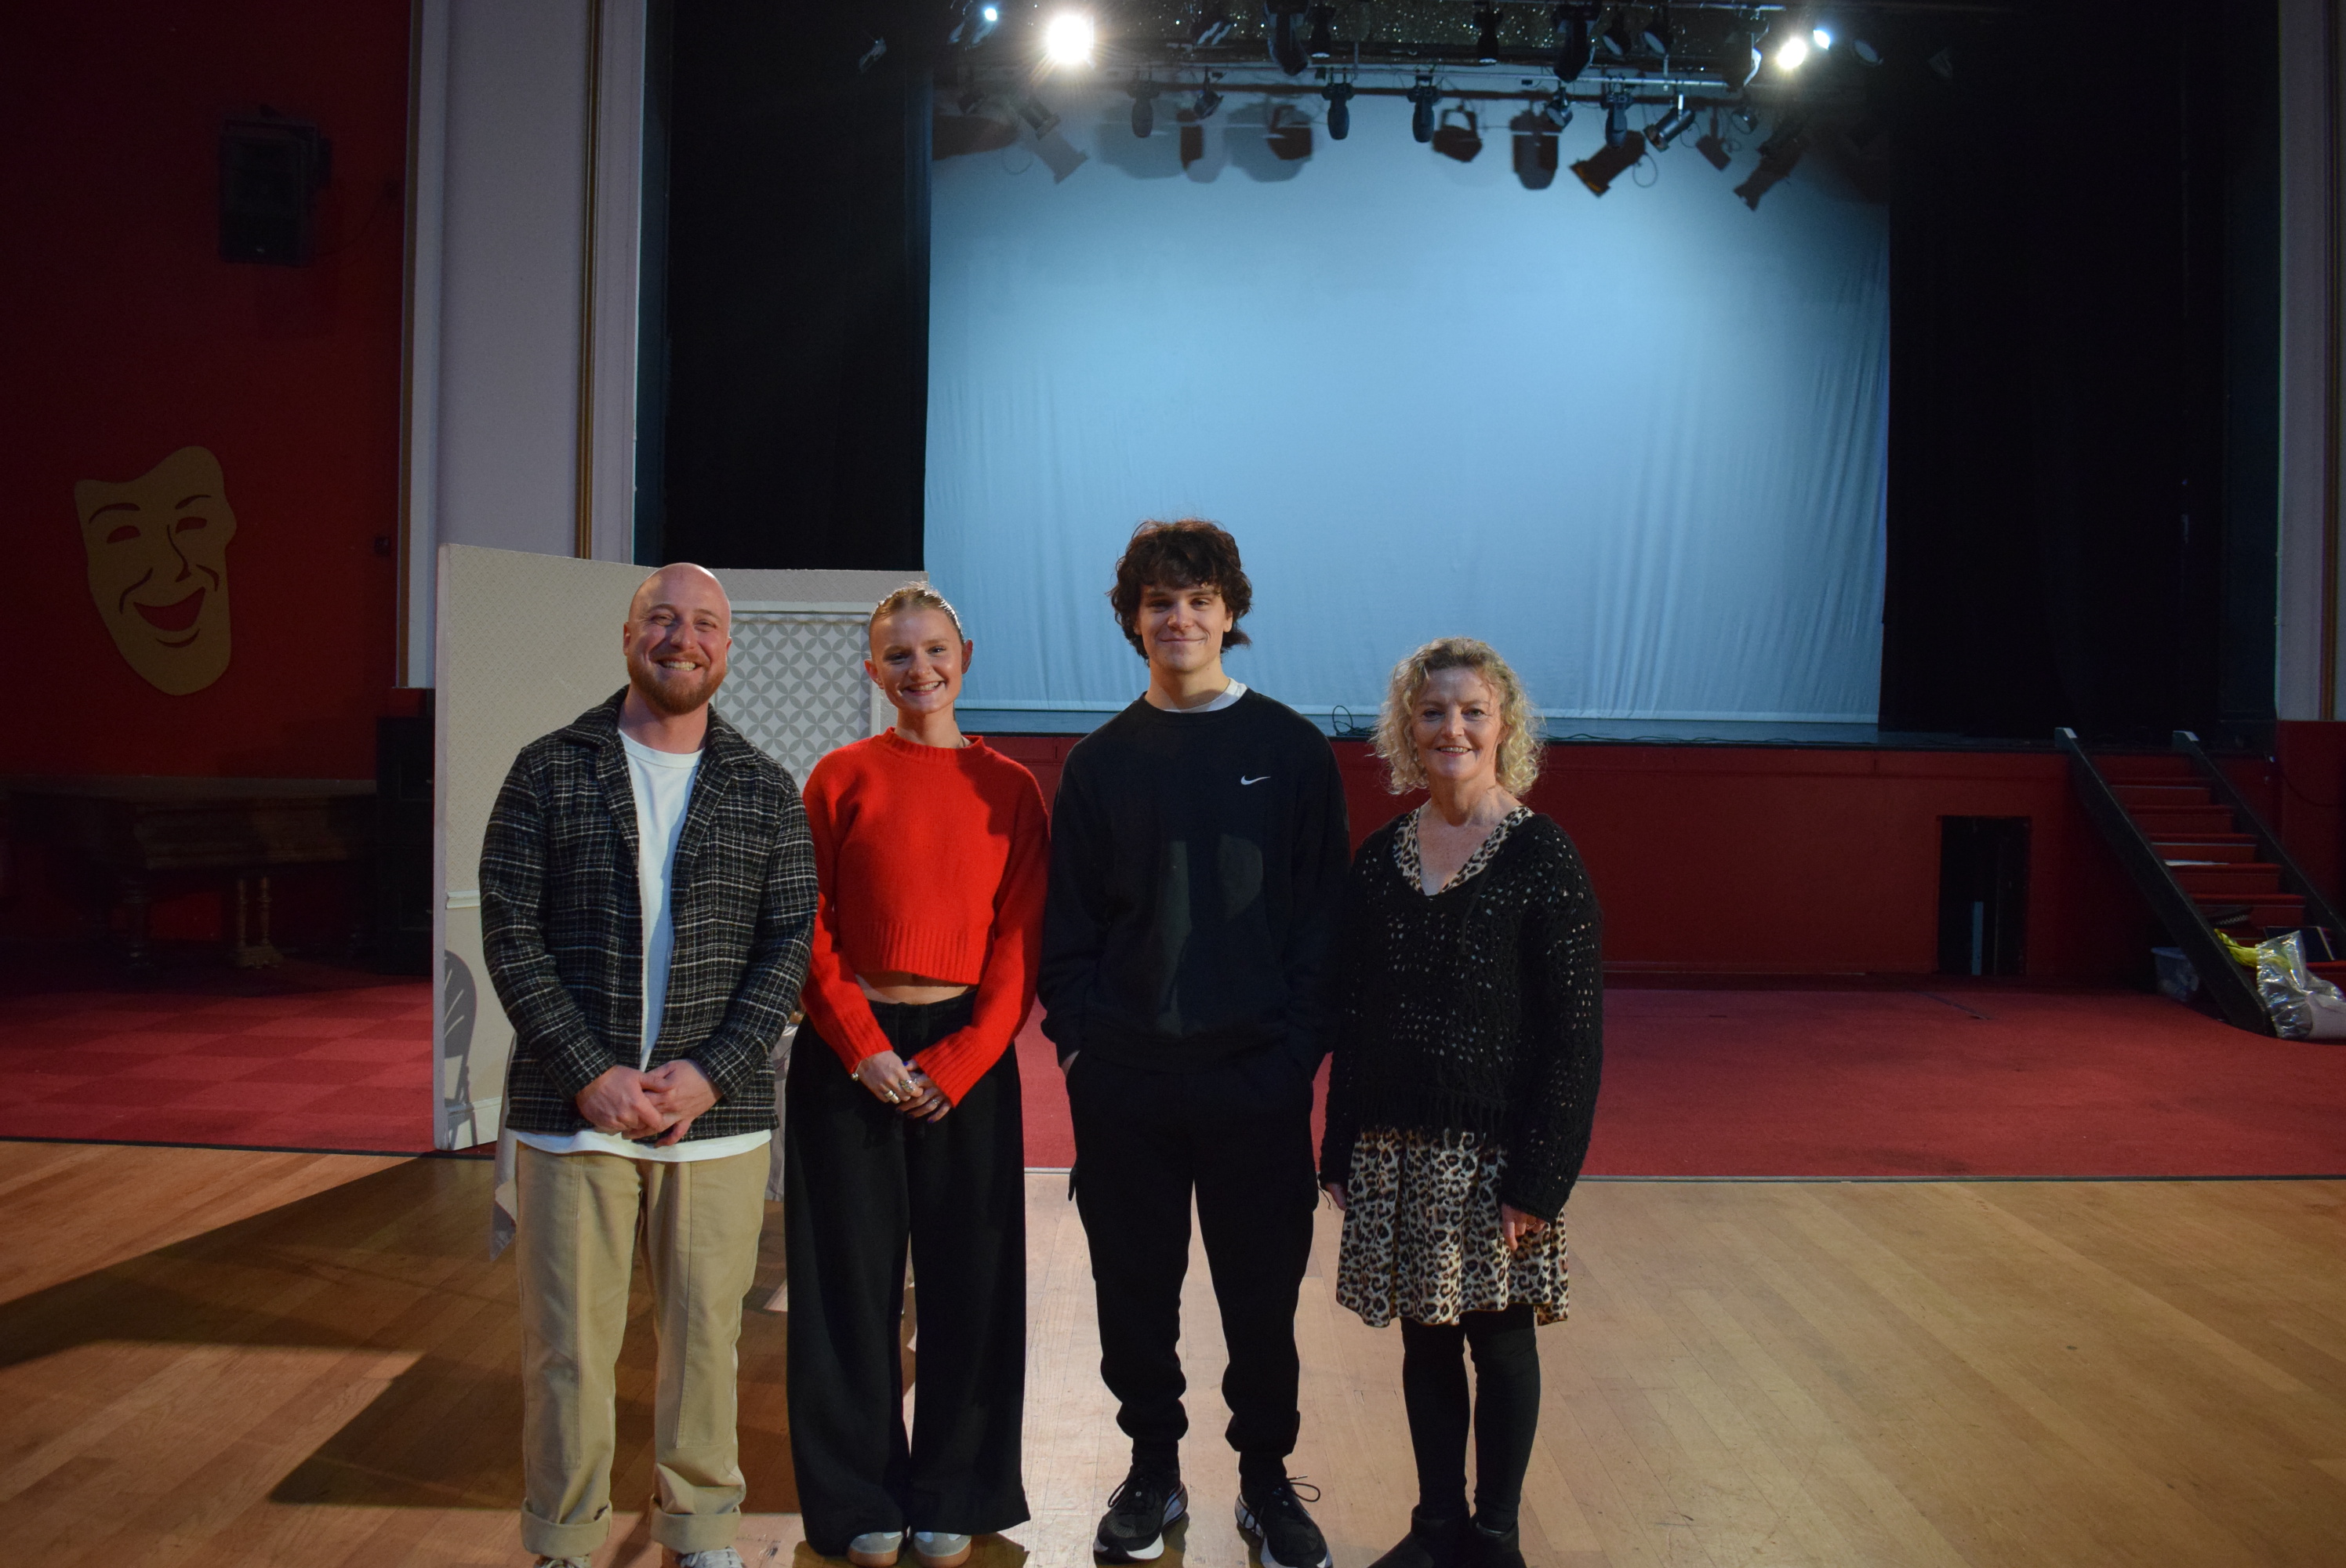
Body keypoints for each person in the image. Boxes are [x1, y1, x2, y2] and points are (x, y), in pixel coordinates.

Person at [479, 563, 817, 1568]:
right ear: (628, 632)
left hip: (717, 1114)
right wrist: (589, 1068)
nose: (682, 637)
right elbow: (510, 927)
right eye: (662, 617)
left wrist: (713, 1069)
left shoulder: (763, 785)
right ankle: (565, 1537)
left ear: (726, 645)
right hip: (568, 1106)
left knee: (706, 1347)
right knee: (570, 1349)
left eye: (704, 622)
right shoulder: (550, 766)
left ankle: (701, 1529)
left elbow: (788, 943)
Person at [1040, 519, 1352, 1568]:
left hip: (1253, 1083)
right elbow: (1068, 932)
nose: (1180, 617)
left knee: (1262, 1305)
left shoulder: (1291, 751)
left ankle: (1265, 1482)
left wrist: (1292, 1058)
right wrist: (1084, 1055)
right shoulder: (1098, 765)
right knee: (1136, 1300)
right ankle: (1154, 1472)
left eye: (1199, 598)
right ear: (1134, 618)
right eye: (1159, 601)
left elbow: (1322, 924)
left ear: (1231, 612)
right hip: (1126, 1082)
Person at [1320, 638, 1603, 1568]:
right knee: (1426, 1341)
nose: (1453, 727)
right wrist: (1342, 1143)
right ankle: (1435, 1524)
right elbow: (1352, 1016)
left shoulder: (1541, 856)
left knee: (1499, 1341)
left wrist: (1541, 1175)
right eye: (1433, 711)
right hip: (1396, 1147)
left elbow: (1573, 1038)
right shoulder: (1378, 860)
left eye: (1472, 711)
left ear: (1504, 728)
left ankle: (1494, 1535)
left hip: (1496, 1158)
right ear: (1408, 728)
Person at [786, 585, 1048, 1568]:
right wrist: (863, 1046)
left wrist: (965, 1056)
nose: (918, 670)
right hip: (852, 1054)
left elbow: (1021, 936)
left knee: (969, 1281)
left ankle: (957, 1486)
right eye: (896, 655)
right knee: (844, 1284)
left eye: (934, 651)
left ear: (965, 656)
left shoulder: (1012, 788)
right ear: (871, 670)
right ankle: (856, 1494)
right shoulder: (839, 774)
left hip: (963, 1057)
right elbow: (806, 925)